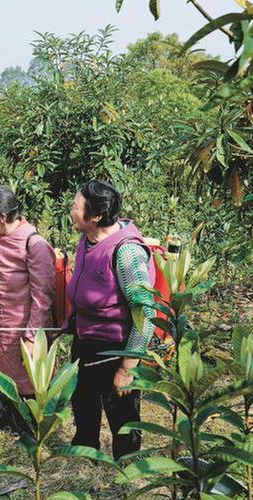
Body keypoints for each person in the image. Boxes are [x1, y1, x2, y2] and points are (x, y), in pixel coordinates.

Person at [65, 179, 156, 461]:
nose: (70, 210)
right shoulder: (87, 240)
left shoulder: (126, 253)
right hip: (86, 339)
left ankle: (126, 467)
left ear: (95, 216)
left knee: (122, 414)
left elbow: (145, 315)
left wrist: (127, 368)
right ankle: (86, 453)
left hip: (116, 347)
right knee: (83, 401)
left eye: (76, 206)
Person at [0, 186, 55, 428]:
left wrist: (31, 335)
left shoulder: (34, 244)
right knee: (2, 371)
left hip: (23, 325)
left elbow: (43, 296)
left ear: (3, 217)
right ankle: (6, 415)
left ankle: (26, 425)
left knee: (25, 376)